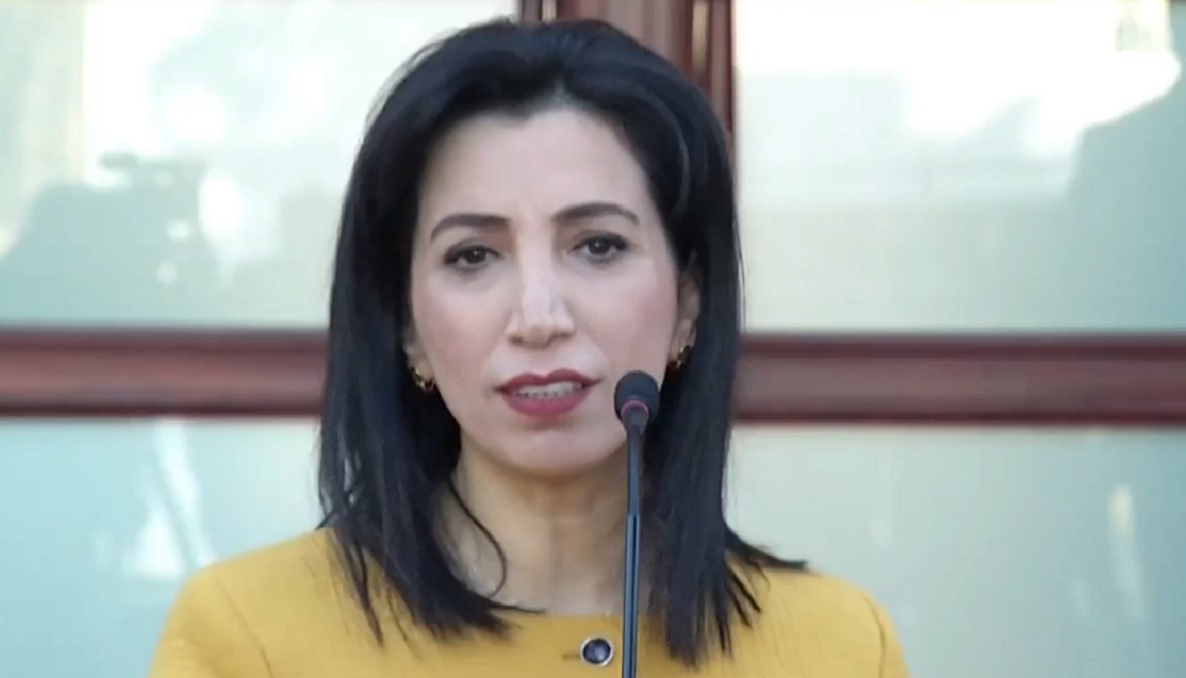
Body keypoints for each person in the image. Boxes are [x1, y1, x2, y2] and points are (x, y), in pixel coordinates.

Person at [148, 17, 909, 678]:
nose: (539, 317)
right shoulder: (249, 638)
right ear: (407, 326)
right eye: (473, 256)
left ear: (688, 304)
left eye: (599, 245)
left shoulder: (840, 647)